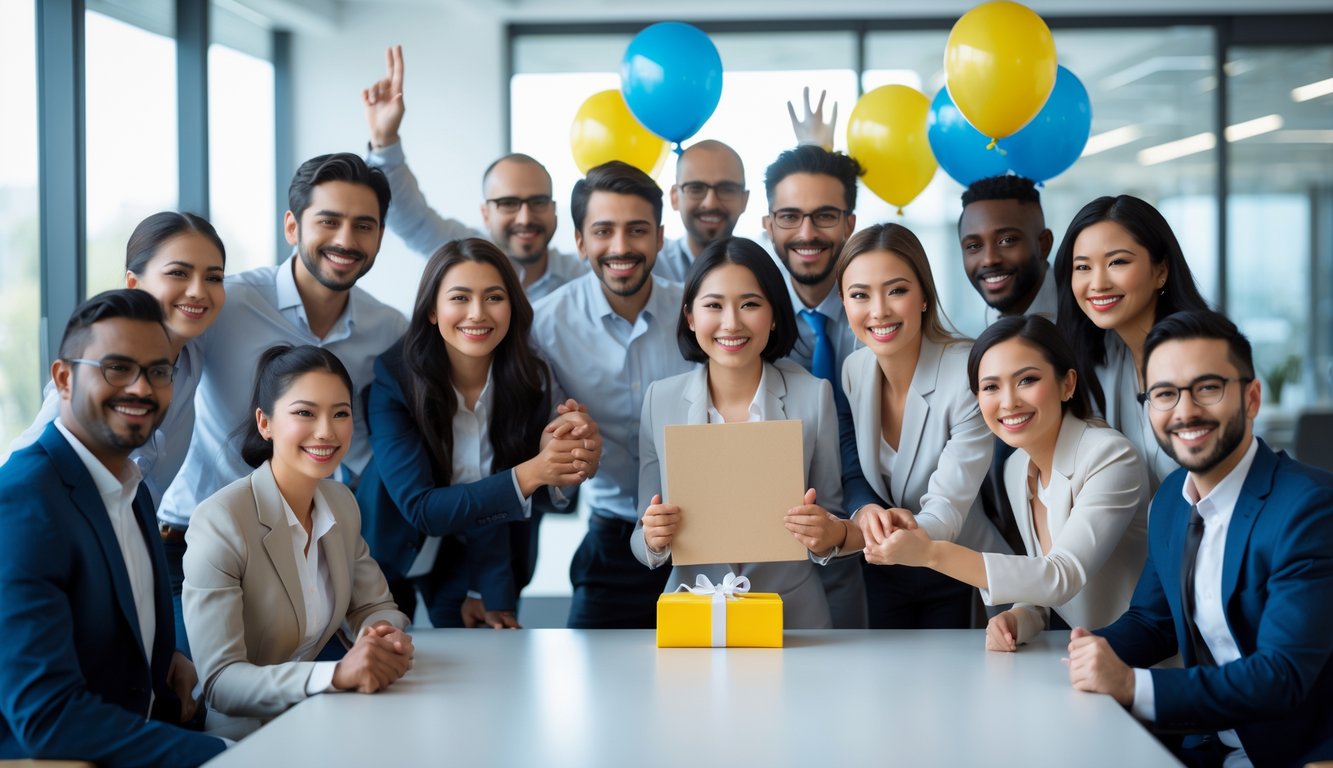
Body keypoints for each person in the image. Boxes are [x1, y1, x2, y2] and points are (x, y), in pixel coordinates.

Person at [157, 152, 407, 651]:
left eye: (364, 225)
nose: (346, 240)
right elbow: (143, 358)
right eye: (328, 221)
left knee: (342, 680)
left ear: (380, 236)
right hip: (190, 542)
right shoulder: (227, 304)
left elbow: (368, 439)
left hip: (301, 545)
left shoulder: (387, 329)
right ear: (292, 225)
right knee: (205, 686)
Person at [1067, 310, 1333, 768]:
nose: (1185, 411)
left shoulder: (1309, 508)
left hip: (1295, 755)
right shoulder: (1172, 499)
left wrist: (1130, 684)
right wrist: (1086, 649)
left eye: (1208, 388)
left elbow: (1282, 675)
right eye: (1164, 394)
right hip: (1208, 747)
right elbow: (1152, 622)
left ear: (1251, 398)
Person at [0, 290, 225, 765]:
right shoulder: (22, 501)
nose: (141, 389)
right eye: (117, 368)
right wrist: (225, 756)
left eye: (158, 372)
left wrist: (164, 660)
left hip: (148, 733)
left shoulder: (133, 488)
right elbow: (47, 717)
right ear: (63, 379)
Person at [8, 212, 227, 656]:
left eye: (213, 277)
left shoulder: (194, 354)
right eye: (178, 273)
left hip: (140, 550)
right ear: (133, 283)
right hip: (74, 561)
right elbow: (28, 469)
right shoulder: (93, 377)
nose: (198, 291)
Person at [357, 238, 602, 629]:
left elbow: (509, 494)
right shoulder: (395, 379)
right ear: (432, 311)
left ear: (512, 307)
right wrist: (534, 471)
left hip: (482, 556)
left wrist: (566, 454)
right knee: (387, 658)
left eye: (494, 298)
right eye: (460, 298)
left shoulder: (529, 379)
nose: (477, 313)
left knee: (485, 657)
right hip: (388, 551)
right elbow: (422, 508)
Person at [868, 315, 1149, 648]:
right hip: (1086, 657)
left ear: (1067, 384)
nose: (1009, 401)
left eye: (1027, 380)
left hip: (1143, 659)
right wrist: (1019, 618)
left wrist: (931, 554)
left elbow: (1063, 576)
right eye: (991, 387)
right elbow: (1041, 583)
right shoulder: (1016, 468)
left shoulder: (1110, 457)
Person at [184, 345, 413, 739]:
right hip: (245, 735)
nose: (326, 431)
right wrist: (335, 674)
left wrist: (381, 638)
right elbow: (220, 682)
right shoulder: (220, 520)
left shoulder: (342, 503)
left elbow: (375, 606)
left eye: (340, 413)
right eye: (305, 413)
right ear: (265, 423)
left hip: (322, 718)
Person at [631, 237, 850, 628]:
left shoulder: (813, 396)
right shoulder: (659, 401)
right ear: (690, 317)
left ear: (775, 314)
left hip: (792, 616)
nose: (731, 323)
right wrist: (652, 538)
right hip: (694, 613)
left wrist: (825, 534)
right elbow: (640, 533)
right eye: (714, 305)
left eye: (750, 304)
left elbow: (834, 516)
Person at [530, 160, 695, 629]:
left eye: (637, 230)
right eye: (604, 231)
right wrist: (563, 450)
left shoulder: (698, 313)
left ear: (659, 238)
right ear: (580, 241)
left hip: (702, 536)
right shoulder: (544, 326)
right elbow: (544, 457)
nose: (621, 247)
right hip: (611, 536)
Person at [838, 223, 1007, 628]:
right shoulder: (854, 369)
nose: (879, 310)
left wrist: (902, 534)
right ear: (844, 302)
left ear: (925, 296)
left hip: (958, 564)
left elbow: (948, 504)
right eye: (860, 295)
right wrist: (869, 518)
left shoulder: (967, 372)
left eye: (896, 290)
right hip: (887, 569)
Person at [362, 45, 584, 301]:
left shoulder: (583, 279)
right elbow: (411, 218)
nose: (525, 218)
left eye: (538, 202)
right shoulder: (460, 254)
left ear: (554, 209)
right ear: (485, 214)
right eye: (508, 203)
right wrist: (385, 140)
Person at [762, 143, 867, 628]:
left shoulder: (883, 309)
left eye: (824, 216)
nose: (807, 233)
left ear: (849, 224)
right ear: (768, 225)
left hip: (889, 521)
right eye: (789, 216)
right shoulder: (747, 318)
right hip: (783, 534)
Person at [1053, 194, 1210, 492]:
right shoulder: (1097, 355)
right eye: (1083, 267)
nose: (1098, 283)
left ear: (1160, 271)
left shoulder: (1203, 357)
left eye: (1117, 262)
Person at [958, 175, 1057, 324]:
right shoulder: (991, 320)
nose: (989, 260)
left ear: (1044, 245)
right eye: (974, 246)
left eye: (1007, 241)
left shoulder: (1086, 319)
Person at [656, 140, 750, 284]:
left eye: (726, 189)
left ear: (744, 200)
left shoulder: (763, 270)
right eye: (696, 188)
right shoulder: (650, 266)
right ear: (674, 197)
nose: (711, 203)